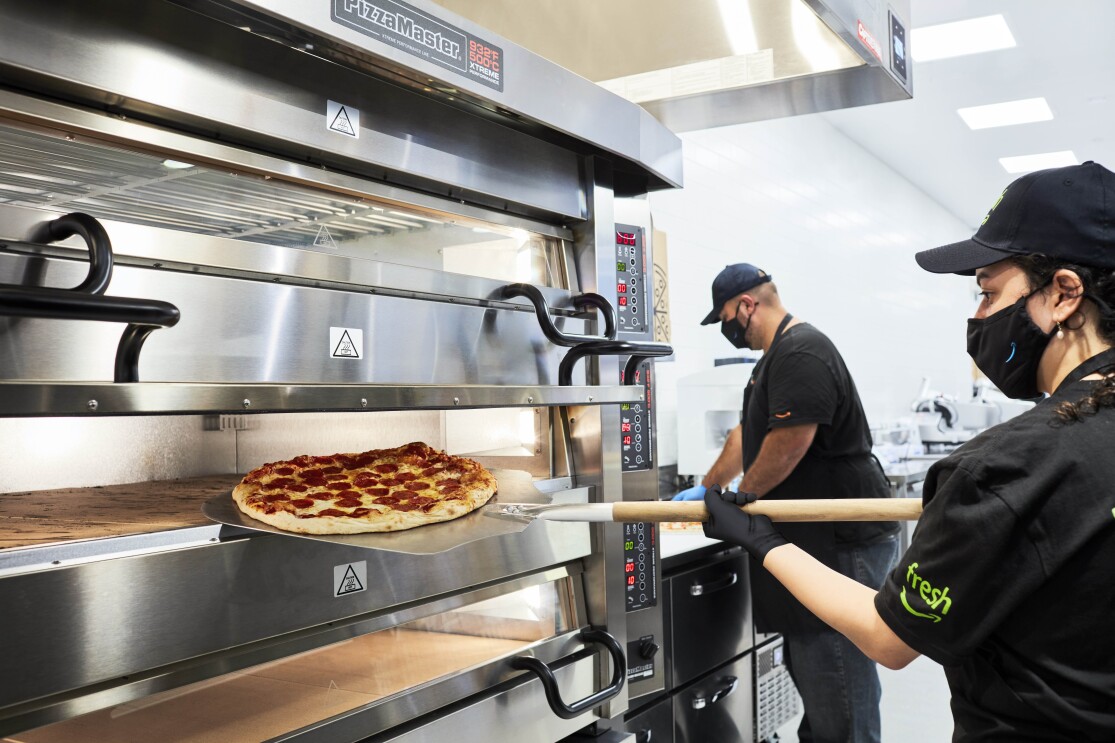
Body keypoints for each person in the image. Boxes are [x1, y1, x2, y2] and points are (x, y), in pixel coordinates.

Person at [702, 161, 1115, 741]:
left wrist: (758, 533)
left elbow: (889, 637)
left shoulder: (1008, 469)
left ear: (1065, 293)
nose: (978, 317)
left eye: (987, 292)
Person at [676, 263, 900, 743]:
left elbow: (791, 440)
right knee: (818, 682)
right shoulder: (772, 360)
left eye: (725, 320)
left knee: (838, 684)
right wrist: (711, 489)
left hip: (838, 541)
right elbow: (747, 435)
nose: (728, 332)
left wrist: (742, 499)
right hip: (813, 540)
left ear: (746, 305)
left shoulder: (802, 351)